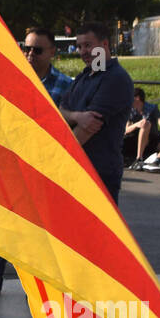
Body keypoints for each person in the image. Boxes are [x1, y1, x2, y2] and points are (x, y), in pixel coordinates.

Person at [0, 26, 74, 296]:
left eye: (37, 50)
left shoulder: (67, 86)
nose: (30, 54)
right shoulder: (12, 81)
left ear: (53, 52)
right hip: (14, 165)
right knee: (9, 222)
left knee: (49, 230)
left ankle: (50, 286)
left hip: (49, 168)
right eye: (26, 48)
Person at [59, 22, 134, 204]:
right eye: (79, 46)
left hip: (99, 173)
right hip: (76, 170)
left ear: (105, 44)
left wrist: (59, 158)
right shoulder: (85, 76)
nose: (83, 51)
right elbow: (60, 111)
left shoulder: (115, 78)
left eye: (88, 45)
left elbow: (89, 127)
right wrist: (77, 116)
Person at [124, 87, 160, 172]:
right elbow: (126, 130)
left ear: (137, 98)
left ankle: (157, 161)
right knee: (146, 124)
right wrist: (137, 124)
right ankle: (139, 159)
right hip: (135, 140)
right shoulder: (130, 110)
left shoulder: (152, 108)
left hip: (152, 140)